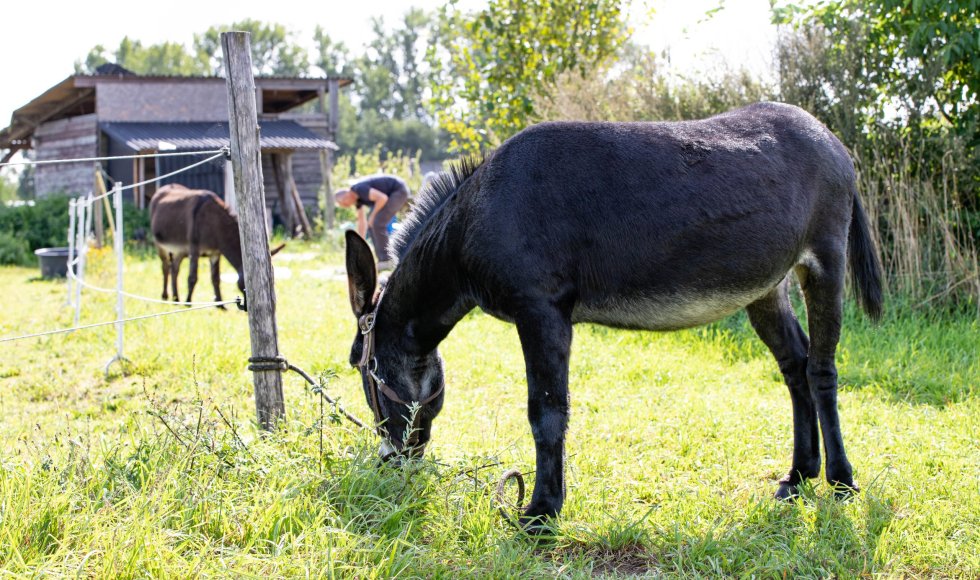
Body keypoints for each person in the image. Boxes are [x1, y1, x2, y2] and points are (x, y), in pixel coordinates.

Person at [334, 174, 410, 270]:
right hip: (391, 194)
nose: (347, 206)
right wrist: (359, 244)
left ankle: (387, 260)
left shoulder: (359, 189)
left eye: (345, 204)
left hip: (398, 191)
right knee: (372, 225)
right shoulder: (358, 200)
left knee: (377, 223)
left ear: (346, 196)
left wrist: (372, 216)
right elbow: (362, 223)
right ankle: (382, 259)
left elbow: (382, 198)